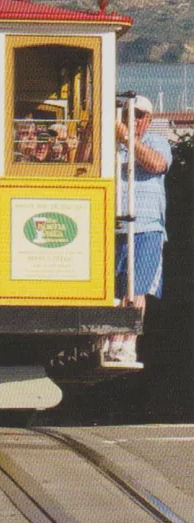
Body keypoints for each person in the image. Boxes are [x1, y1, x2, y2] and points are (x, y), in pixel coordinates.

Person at [104, 94, 172, 364]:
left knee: (137, 286)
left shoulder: (156, 141)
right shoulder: (108, 144)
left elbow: (157, 164)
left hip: (145, 226)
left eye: (139, 115)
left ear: (148, 119)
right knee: (114, 288)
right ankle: (109, 338)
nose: (133, 120)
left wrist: (125, 139)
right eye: (127, 115)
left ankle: (128, 340)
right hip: (113, 224)